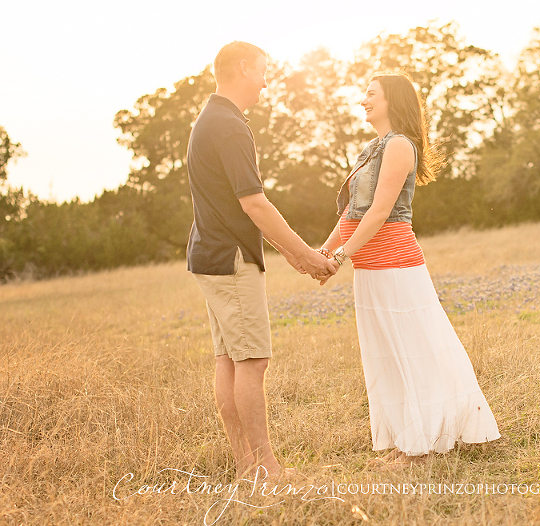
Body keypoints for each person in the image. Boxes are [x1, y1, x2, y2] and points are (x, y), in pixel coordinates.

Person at [318, 71, 500, 466]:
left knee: (411, 350)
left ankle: (422, 444)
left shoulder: (399, 145)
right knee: (385, 354)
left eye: (371, 94)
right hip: (368, 267)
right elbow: (353, 212)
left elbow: (382, 211)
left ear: (391, 101)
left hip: (395, 264)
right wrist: (325, 252)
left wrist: (339, 256)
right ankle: (406, 438)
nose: (362, 101)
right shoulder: (371, 147)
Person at [186, 41, 336, 479]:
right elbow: (254, 204)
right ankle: (265, 467)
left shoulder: (209, 118)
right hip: (229, 260)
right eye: (264, 72)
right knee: (251, 361)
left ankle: (246, 464)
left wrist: (289, 254)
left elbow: (234, 207)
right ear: (244, 68)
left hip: (211, 255)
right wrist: (307, 254)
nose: (267, 83)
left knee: (230, 360)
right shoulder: (229, 125)